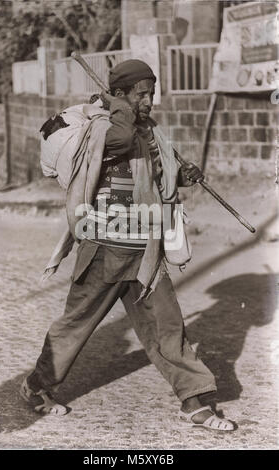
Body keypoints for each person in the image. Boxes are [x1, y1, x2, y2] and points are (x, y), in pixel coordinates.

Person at [20, 59, 234, 432]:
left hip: (145, 250)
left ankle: (193, 400)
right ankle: (36, 387)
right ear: (119, 95)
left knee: (167, 325)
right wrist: (119, 107)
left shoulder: (146, 130)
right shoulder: (103, 127)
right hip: (103, 247)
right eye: (142, 94)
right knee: (76, 325)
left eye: (152, 93)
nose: (150, 101)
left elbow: (158, 175)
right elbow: (117, 141)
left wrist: (185, 175)